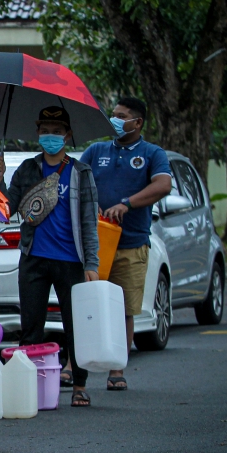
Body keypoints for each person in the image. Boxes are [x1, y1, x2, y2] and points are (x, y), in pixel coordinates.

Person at [0, 106, 100, 407]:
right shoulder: (27, 169)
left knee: (75, 324)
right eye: (44, 131)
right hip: (33, 258)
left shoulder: (81, 172)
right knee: (31, 326)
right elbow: (6, 210)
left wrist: (92, 263)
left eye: (56, 131)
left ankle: (79, 384)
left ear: (67, 135)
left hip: (71, 261)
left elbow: (90, 222)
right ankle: (30, 388)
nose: (49, 136)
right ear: (37, 135)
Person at [80, 97, 173, 392]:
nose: (115, 120)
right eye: (113, 115)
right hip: (93, 245)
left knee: (123, 309)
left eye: (121, 116)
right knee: (84, 306)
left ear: (138, 122)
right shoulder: (96, 151)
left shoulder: (151, 154)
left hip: (131, 244)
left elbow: (163, 185)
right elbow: (75, 182)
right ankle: (73, 365)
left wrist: (127, 204)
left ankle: (117, 368)